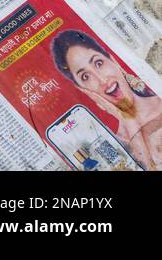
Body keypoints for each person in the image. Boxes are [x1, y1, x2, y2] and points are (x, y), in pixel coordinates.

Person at [52, 29, 162, 169]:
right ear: (84, 90)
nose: (102, 80)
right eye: (86, 76)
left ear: (113, 60)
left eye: (99, 63)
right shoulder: (118, 149)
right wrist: (127, 118)